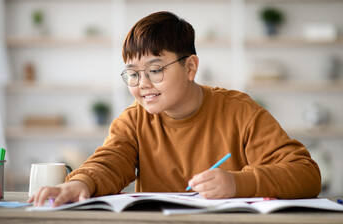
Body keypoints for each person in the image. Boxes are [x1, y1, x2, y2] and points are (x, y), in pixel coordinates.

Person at [28, 11, 321, 207]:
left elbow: (306, 174)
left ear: (190, 66)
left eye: (155, 70)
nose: (142, 84)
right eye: (133, 73)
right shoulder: (134, 120)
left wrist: (237, 182)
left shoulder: (240, 112)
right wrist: (81, 181)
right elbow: (109, 162)